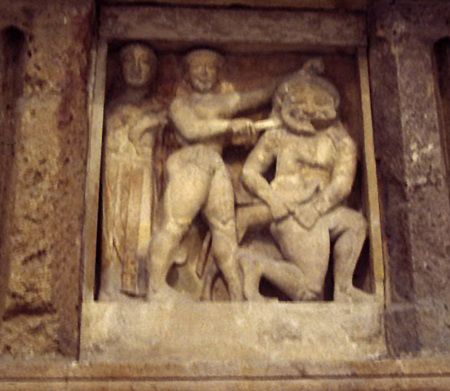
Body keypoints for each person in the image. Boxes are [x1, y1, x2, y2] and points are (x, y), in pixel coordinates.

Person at [147, 49, 278, 301]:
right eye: (198, 67)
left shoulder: (222, 102)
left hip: (215, 164)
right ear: (186, 75)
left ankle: (237, 294)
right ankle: (155, 288)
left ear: (218, 74)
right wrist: (230, 126)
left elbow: (259, 95)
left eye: (210, 68)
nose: (205, 73)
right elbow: (192, 129)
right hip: (192, 160)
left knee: (225, 229)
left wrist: (296, 76)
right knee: (175, 225)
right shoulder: (181, 104)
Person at [239, 58, 371, 303]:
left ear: (331, 107)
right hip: (290, 212)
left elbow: (342, 184)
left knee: (356, 223)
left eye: (318, 101)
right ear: (284, 106)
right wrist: (274, 200)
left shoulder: (341, 142)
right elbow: (249, 172)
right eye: (299, 100)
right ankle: (256, 265)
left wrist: (316, 207)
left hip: (321, 210)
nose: (309, 108)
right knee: (310, 293)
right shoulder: (277, 136)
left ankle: (343, 288)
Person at [100, 43, 167, 301]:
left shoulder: (157, 107)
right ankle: (110, 286)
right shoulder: (109, 106)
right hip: (114, 175)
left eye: (145, 62)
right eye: (130, 61)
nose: (137, 69)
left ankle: (137, 290)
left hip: (143, 175)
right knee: (112, 233)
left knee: (140, 233)